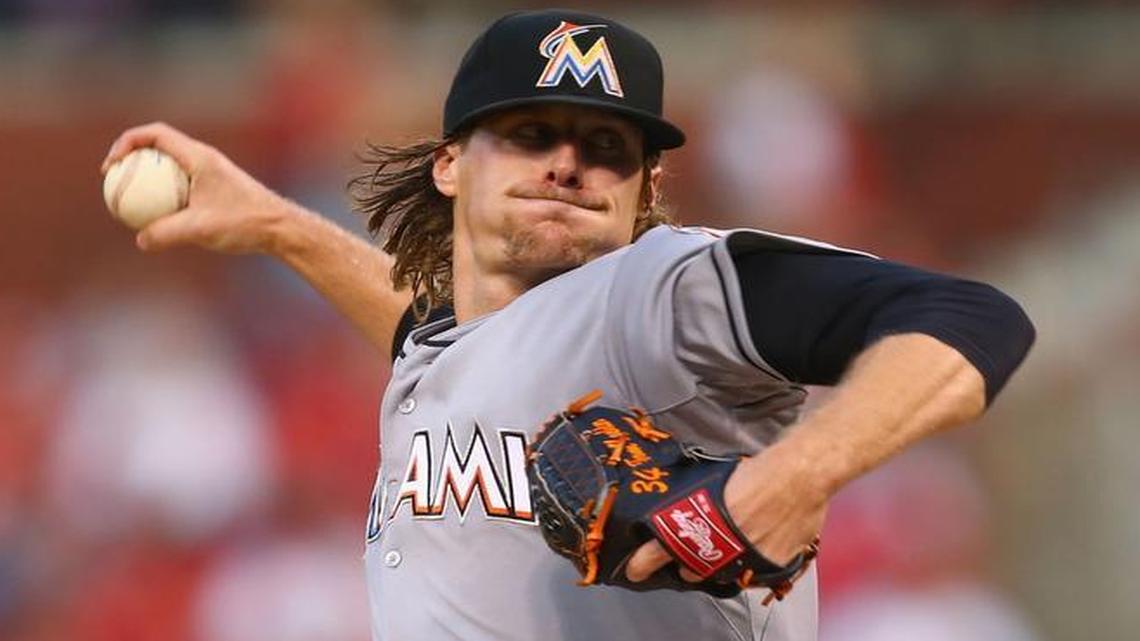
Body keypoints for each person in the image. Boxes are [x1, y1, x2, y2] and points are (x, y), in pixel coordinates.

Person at [100, 9, 1035, 641]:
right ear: (450, 167)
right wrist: (276, 226)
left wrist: (789, 478)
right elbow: (443, 334)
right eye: (529, 134)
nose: (566, 164)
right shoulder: (451, 346)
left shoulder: (664, 293)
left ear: (644, 191)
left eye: (604, 147)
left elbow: (969, 317)